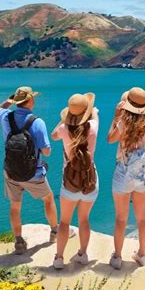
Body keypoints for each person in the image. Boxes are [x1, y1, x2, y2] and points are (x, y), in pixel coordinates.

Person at [0, 86, 58, 255]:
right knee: (48, 198)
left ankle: (19, 242)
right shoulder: (37, 121)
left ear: (17, 101)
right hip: (33, 173)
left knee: (15, 206)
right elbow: (46, 151)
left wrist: (11, 100)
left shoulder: (6, 117)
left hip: (11, 171)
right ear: (30, 100)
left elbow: (0, 107)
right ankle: (54, 232)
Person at [107, 87, 145, 269]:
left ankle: (117, 257)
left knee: (121, 218)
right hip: (142, 175)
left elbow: (110, 139)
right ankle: (142, 255)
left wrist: (116, 116)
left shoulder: (123, 124)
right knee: (142, 218)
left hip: (123, 174)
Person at [51, 93, 99, 270]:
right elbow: (95, 114)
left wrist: (64, 119)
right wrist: (91, 110)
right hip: (89, 181)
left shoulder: (64, 129)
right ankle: (82, 254)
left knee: (64, 222)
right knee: (84, 219)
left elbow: (53, 135)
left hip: (69, 182)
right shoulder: (93, 126)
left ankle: (59, 258)